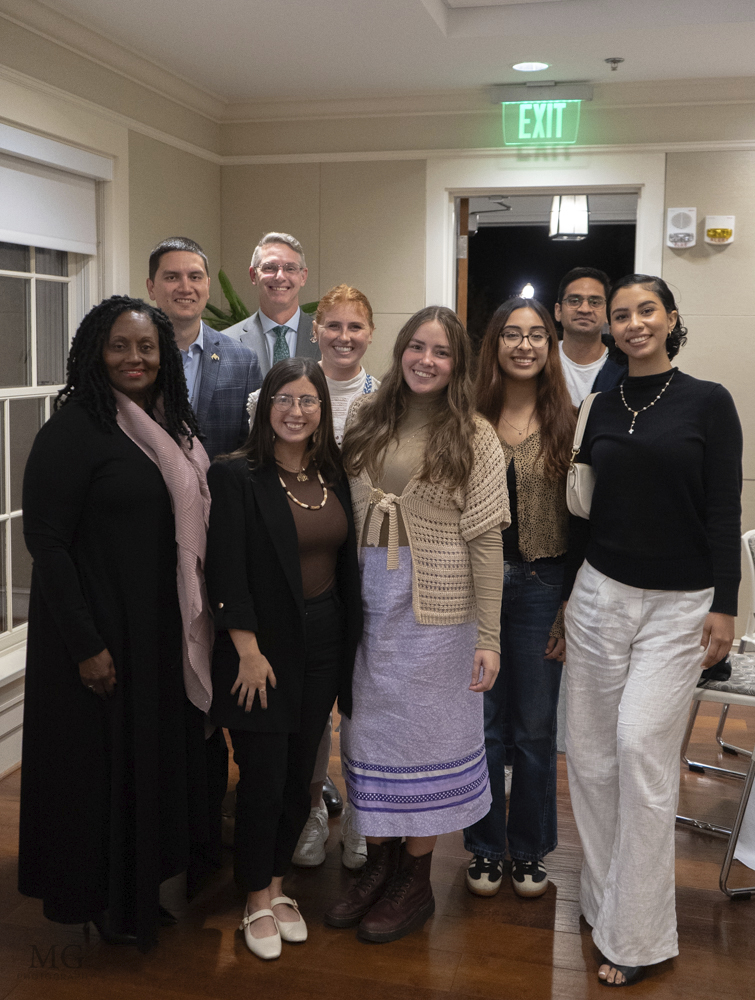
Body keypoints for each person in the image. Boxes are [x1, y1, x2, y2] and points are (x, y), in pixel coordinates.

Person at [562, 275, 742, 986]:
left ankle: (637, 937)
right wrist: (566, 602)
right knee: (590, 758)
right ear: (608, 328)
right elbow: (582, 513)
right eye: (621, 314)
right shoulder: (599, 406)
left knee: (639, 749)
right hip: (599, 595)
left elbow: (723, 509)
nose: (634, 323)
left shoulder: (708, 401)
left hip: (680, 606)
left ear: (670, 318)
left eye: (647, 310)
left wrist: (725, 604)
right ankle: (604, 901)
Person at [18, 296, 214, 951]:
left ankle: (137, 889)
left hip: (154, 630)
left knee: (145, 764)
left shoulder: (167, 427)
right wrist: (86, 645)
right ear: (95, 353)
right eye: (120, 346)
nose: (135, 358)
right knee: (97, 774)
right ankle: (98, 898)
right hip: (96, 631)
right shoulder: (73, 431)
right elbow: (47, 544)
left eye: (147, 347)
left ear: (164, 356)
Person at [326, 306, 509, 943]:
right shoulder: (366, 416)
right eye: (417, 347)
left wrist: (489, 638)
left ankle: (414, 879)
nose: (426, 361)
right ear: (401, 349)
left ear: (458, 364)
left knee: (427, 738)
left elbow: (487, 540)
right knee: (370, 734)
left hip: (439, 608)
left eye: (442, 352)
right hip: (366, 603)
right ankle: (378, 865)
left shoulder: (475, 434)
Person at [205, 358, 362, 961]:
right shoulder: (236, 475)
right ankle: (253, 898)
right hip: (261, 650)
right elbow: (225, 568)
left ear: (323, 410)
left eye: (308, 401)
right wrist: (246, 650)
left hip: (323, 641)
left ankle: (275, 885)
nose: (296, 412)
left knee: (302, 777)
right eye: (284, 399)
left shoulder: (332, 474)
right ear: (265, 405)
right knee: (264, 778)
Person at [463, 297, 575, 900]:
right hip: (476, 587)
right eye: (512, 334)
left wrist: (569, 604)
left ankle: (529, 848)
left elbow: (585, 521)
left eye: (536, 335)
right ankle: (484, 845)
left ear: (549, 346)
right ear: (495, 344)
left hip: (542, 587)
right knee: (481, 724)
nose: (524, 345)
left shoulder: (570, 421)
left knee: (534, 727)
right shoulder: (466, 418)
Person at [223, 232, 321, 374]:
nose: (280, 276)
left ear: (303, 276)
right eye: (269, 267)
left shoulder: (326, 338)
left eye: (290, 268)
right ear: (253, 275)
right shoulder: (225, 342)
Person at [554, 267, 624, 406]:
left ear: (607, 313)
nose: (584, 309)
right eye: (574, 301)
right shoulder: (540, 359)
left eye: (595, 302)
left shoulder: (625, 366)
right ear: (558, 311)